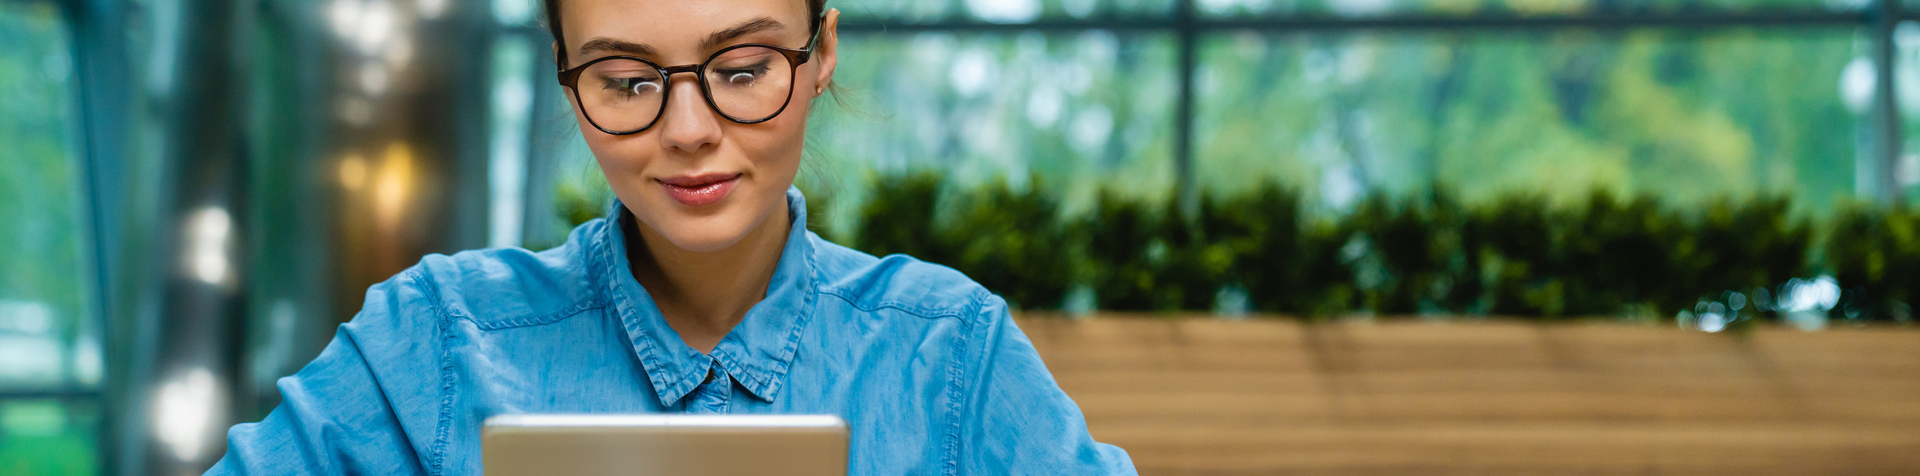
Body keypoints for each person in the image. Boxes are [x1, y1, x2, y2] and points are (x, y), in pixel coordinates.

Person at [208, 0, 1136, 473]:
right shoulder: (437, 338)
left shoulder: (951, 353)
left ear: (821, 55)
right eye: (627, 81)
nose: (689, 130)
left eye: (741, 68)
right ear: (569, 82)